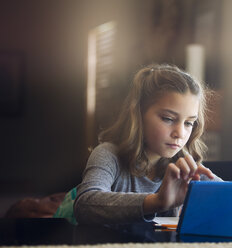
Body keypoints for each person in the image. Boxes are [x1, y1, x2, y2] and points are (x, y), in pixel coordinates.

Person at [71, 64, 221, 225]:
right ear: (138, 114)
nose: (180, 133)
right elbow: (84, 205)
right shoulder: (108, 154)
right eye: (168, 119)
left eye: (189, 123)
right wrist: (157, 201)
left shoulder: (186, 166)